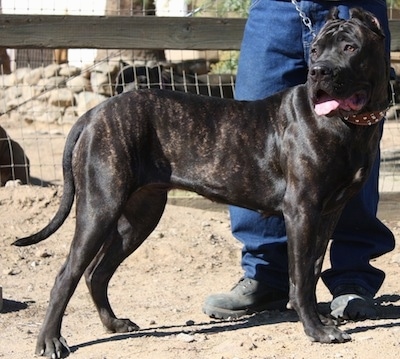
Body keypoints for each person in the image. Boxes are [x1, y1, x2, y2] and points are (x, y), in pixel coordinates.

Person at [203, 0, 395, 321]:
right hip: (277, 9)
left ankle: (352, 277)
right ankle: (267, 276)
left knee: (358, 138)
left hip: (357, 4)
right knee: (252, 141)